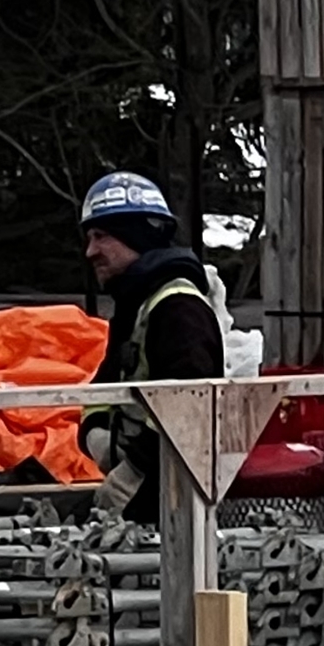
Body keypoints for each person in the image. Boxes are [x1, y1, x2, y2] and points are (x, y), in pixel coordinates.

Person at [79, 171, 229, 513]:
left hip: (168, 502)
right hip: (147, 494)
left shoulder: (177, 309)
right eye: (89, 238)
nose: (91, 251)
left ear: (135, 236)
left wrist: (131, 474)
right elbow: (103, 388)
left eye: (101, 236)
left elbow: (189, 408)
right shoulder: (136, 305)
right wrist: (96, 434)